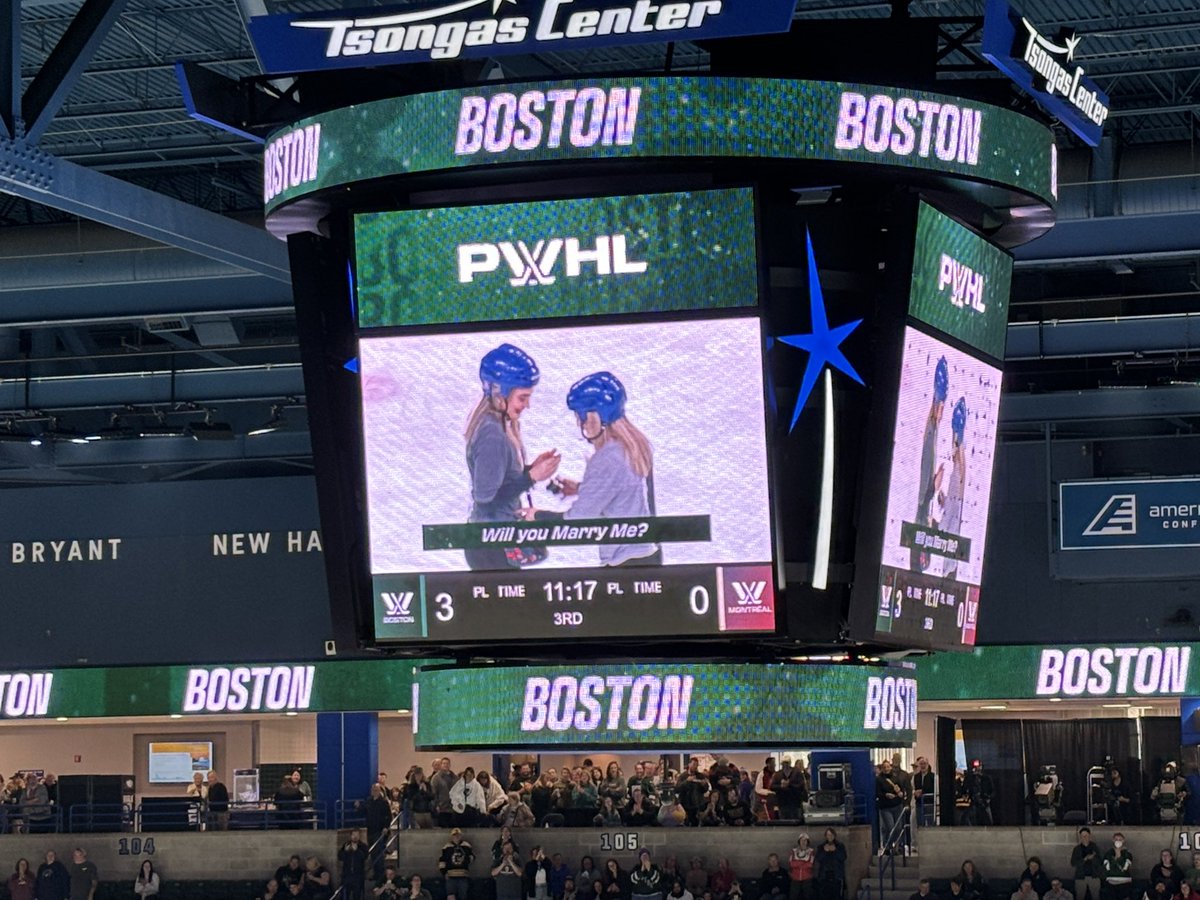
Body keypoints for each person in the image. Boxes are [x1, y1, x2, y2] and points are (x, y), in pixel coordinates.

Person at [524, 371, 658, 567]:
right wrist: (581, 488)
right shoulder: (634, 446)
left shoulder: (607, 458)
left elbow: (577, 521)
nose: (580, 423)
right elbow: (623, 488)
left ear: (593, 417)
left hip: (624, 561)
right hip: (645, 554)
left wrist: (536, 516)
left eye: (581, 416)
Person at [466, 343, 560, 570]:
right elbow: (486, 500)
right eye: (522, 398)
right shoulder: (492, 435)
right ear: (500, 393)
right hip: (491, 547)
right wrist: (531, 478)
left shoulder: (498, 425)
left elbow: (500, 481)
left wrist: (529, 470)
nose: (527, 405)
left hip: (495, 542)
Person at [365, 783, 393, 878]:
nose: (374, 792)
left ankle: (380, 874)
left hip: (379, 830)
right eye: (373, 790)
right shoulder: (369, 801)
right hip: (370, 829)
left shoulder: (384, 802)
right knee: (373, 853)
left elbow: (389, 816)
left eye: (376, 790)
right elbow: (365, 810)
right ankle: (375, 872)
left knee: (379, 852)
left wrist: (386, 827)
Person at [876, 759, 905, 849]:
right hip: (885, 807)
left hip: (897, 805)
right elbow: (877, 793)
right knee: (890, 826)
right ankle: (888, 846)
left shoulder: (896, 778)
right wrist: (886, 795)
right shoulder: (879, 780)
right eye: (884, 767)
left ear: (891, 767)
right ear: (882, 769)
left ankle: (896, 846)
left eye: (888, 767)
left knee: (899, 827)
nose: (886, 769)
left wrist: (900, 794)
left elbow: (902, 790)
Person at [440, 826, 476, 900]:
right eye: (454, 835)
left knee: (463, 896)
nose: (456, 837)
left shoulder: (466, 845)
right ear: (451, 836)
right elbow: (442, 860)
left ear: (461, 836)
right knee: (451, 896)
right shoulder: (447, 847)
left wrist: (467, 861)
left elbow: (472, 857)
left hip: (463, 876)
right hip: (450, 876)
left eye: (458, 835)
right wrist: (444, 873)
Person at [814, 831, 846, 900]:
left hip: (836, 875)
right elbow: (818, 859)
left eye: (831, 835)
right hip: (824, 875)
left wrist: (835, 850)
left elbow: (843, 857)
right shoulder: (821, 847)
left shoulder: (840, 846)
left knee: (837, 896)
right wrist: (824, 851)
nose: (830, 836)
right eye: (828, 835)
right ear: (826, 836)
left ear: (834, 836)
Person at [1072, 829, 1103, 900]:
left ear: (1089, 836)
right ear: (1080, 837)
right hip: (1080, 877)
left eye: (1086, 836)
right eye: (1082, 836)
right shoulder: (1077, 849)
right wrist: (1085, 859)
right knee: (1080, 897)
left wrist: (1093, 858)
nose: (1084, 838)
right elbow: (1073, 863)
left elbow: (1100, 862)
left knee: (1096, 897)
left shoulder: (1095, 847)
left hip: (1094, 876)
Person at [340, 828, 369, 900]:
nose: (355, 837)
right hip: (347, 875)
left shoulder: (363, 846)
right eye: (353, 835)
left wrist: (356, 850)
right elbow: (340, 857)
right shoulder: (346, 845)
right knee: (344, 895)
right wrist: (346, 851)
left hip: (358, 876)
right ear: (350, 836)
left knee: (357, 895)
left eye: (357, 835)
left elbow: (365, 857)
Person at [1103, 834, 1135, 900]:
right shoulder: (1108, 853)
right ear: (1113, 840)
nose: (1118, 841)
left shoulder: (1127, 853)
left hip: (1124, 882)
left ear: (1123, 841)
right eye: (1116, 839)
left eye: (1120, 839)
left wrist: (1119, 855)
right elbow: (1107, 868)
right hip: (1111, 882)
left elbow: (1124, 868)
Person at [962, 761, 994, 826]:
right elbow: (964, 790)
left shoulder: (987, 778)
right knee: (965, 818)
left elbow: (992, 791)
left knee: (989, 821)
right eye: (975, 767)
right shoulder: (969, 778)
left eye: (978, 767)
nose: (977, 769)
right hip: (973, 803)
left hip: (984, 803)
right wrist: (966, 795)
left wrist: (987, 798)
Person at [789, 835, 815, 900]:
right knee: (793, 897)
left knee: (807, 896)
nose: (803, 842)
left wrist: (797, 862)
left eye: (805, 840)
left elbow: (810, 864)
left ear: (808, 842)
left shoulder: (811, 851)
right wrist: (803, 862)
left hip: (807, 878)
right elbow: (791, 863)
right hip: (795, 878)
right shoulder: (793, 851)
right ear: (799, 841)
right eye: (801, 840)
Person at [913, 757, 936, 828]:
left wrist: (922, 791)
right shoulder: (916, 777)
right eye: (921, 764)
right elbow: (914, 788)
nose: (923, 766)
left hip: (930, 803)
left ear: (928, 764)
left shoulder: (933, 776)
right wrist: (916, 793)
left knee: (930, 824)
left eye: (924, 764)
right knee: (919, 824)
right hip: (919, 803)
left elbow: (933, 789)